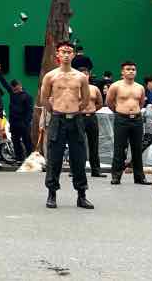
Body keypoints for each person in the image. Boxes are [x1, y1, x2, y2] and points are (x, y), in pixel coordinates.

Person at [39, 40, 93, 209]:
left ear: (74, 54)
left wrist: (75, 110)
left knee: (79, 158)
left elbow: (85, 100)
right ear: (58, 54)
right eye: (63, 51)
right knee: (54, 158)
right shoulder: (51, 76)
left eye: (69, 52)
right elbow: (44, 100)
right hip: (58, 119)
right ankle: (52, 194)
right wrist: (57, 110)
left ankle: (81, 195)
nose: (66, 54)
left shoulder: (81, 77)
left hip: (76, 120)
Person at [107, 61, 152, 186]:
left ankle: (139, 177)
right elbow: (109, 102)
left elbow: (141, 103)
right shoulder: (116, 86)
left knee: (137, 148)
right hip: (121, 119)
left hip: (137, 119)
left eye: (133, 69)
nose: (131, 71)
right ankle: (116, 176)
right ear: (122, 72)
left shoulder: (140, 87)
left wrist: (134, 112)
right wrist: (120, 112)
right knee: (119, 148)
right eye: (128, 69)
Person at [73, 58, 106, 178]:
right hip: (79, 117)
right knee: (78, 144)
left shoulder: (95, 88)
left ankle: (95, 170)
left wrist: (92, 111)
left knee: (94, 144)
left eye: (86, 74)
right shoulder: (74, 88)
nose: (84, 76)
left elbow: (100, 103)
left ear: (89, 75)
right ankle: (76, 170)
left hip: (91, 118)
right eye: (81, 74)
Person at [7, 80, 34, 163]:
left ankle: (30, 158)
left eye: (16, 88)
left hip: (23, 123)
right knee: (15, 141)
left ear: (20, 86)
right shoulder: (13, 94)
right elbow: (5, 85)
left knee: (27, 141)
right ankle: (19, 158)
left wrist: (26, 122)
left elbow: (30, 111)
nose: (14, 90)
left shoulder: (27, 96)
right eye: (13, 89)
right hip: (14, 123)